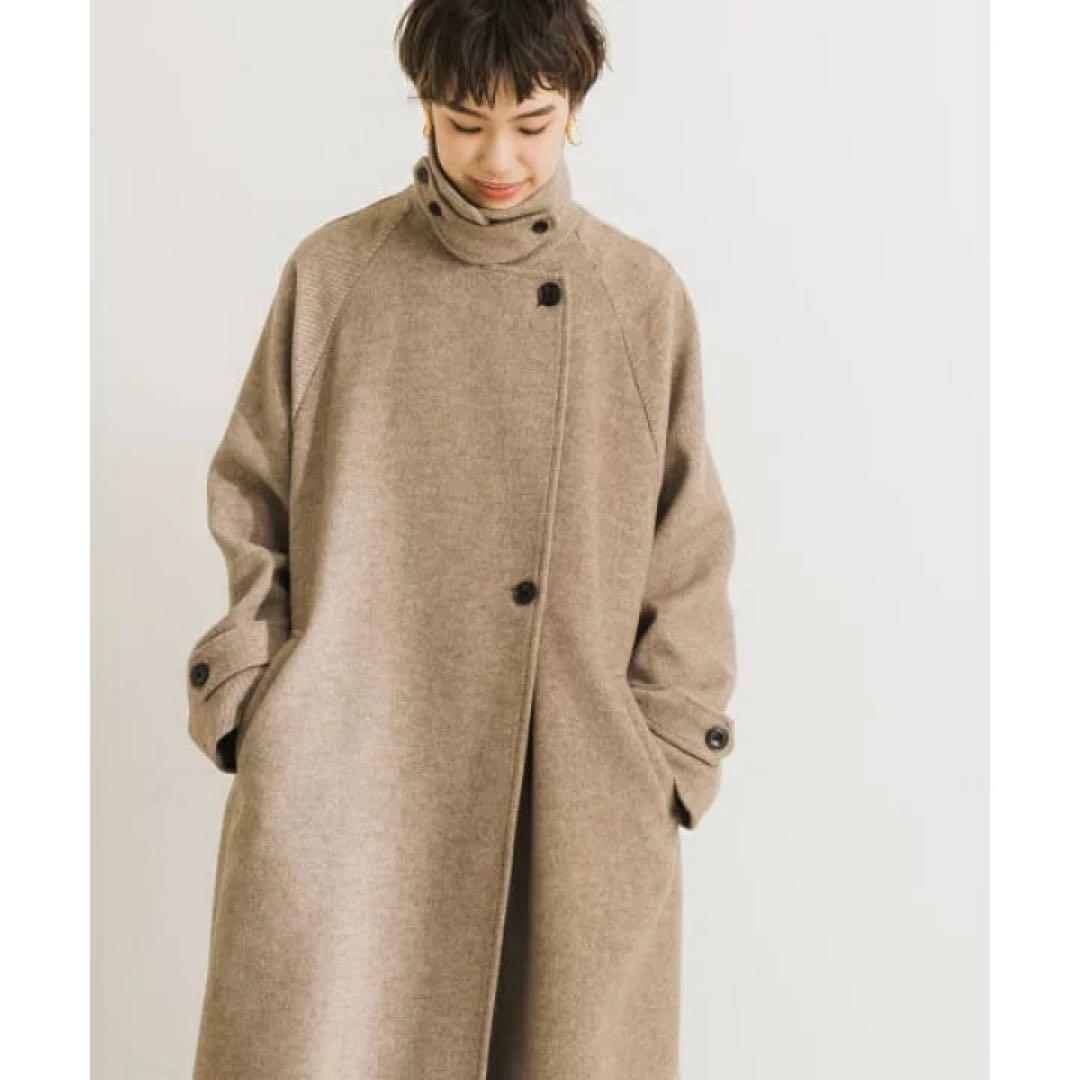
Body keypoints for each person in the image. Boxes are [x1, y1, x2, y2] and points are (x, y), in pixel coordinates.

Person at [184, 2, 738, 1077]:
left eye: (532, 124)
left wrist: (668, 751)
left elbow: (691, 546)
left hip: (570, 780)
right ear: (424, 108)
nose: (498, 160)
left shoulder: (638, 296)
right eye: (462, 121)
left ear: (575, 109)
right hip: (349, 765)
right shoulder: (335, 273)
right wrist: (256, 695)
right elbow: (250, 493)